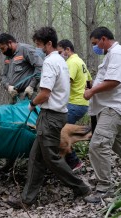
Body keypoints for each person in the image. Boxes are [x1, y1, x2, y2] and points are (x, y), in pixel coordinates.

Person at [6, 27, 91, 209]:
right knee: (36, 157)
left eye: (39, 45)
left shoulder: (51, 62)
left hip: (51, 116)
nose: (38, 49)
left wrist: (32, 103)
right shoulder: (60, 60)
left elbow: (45, 93)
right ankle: (27, 199)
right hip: (55, 114)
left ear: (49, 43)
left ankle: (81, 188)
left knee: (52, 158)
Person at [83, 27, 121, 204]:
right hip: (109, 108)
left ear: (104, 39)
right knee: (116, 145)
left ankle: (105, 189)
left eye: (95, 43)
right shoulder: (110, 55)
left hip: (112, 108)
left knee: (98, 145)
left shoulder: (117, 53)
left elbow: (114, 81)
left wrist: (91, 92)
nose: (94, 48)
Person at [57, 39, 93, 171]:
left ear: (67, 49)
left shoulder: (71, 62)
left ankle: (74, 162)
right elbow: (89, 80)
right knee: (64, 132)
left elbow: (67, 82)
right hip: (82, 103)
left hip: (75, 103)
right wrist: (88, 93)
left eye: (60, 52)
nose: (60, 55)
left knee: (60, 131)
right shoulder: (81, 62)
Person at [0, 33, 43, 104]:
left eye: (3, 48)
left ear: (10, 43)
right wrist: (8, 87)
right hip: (14, 96)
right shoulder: (8, 56)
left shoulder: (25, 49)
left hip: (27, 95)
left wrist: (31, 86)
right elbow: (4, 75)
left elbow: (40, 66)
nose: (2, 52)